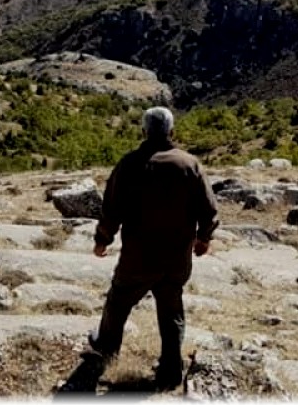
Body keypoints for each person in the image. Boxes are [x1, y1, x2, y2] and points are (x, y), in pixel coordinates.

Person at [86, 106, 220, 392]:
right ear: (172, 131)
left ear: (144, 131)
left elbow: (111, 209)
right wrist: (203, 238)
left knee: (118, 301)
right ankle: (171, 371)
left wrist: (102, 240)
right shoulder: (189, 164)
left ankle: (105, 353)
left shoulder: (130, 164)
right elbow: (208, 210)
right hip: (176, 258)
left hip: (138, 257)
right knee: (171, 311)